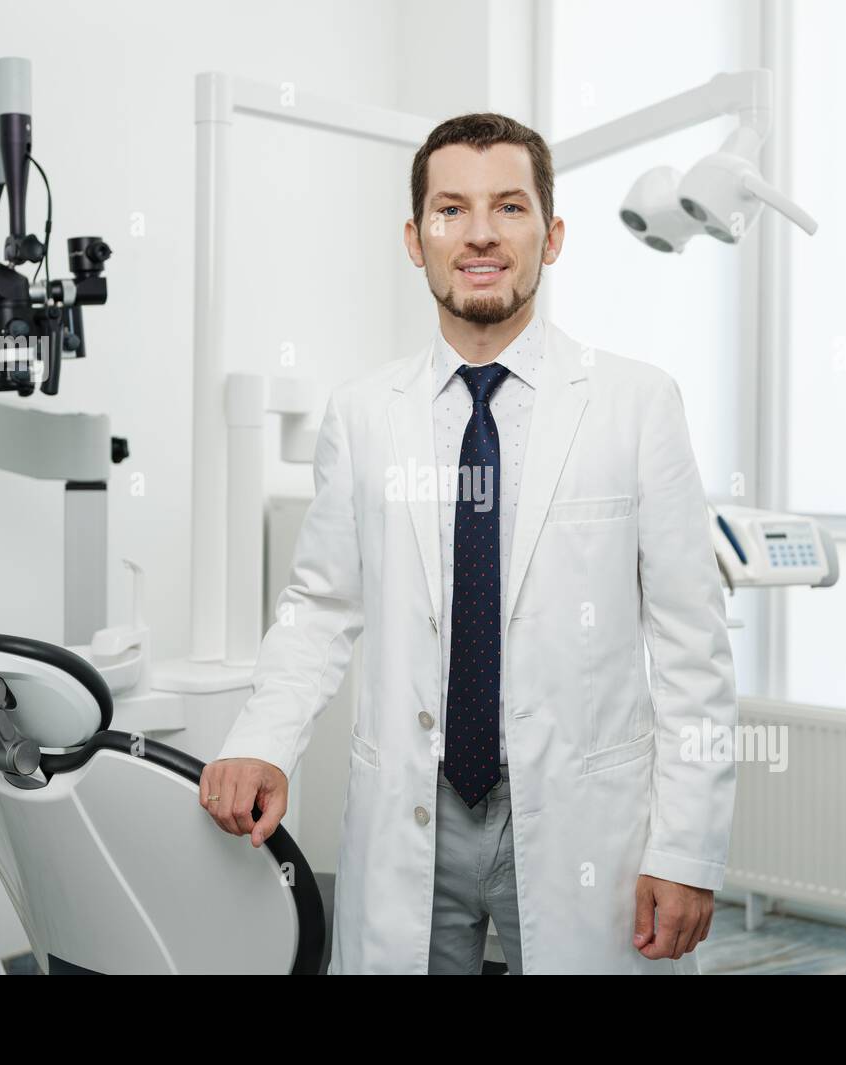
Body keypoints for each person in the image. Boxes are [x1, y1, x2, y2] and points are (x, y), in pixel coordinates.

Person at [198, 112, 738, 975]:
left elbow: (692, 645)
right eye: (451, 210)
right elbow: (320, 606)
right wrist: (262, 738)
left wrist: (687, 848)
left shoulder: (638, 405)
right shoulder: (364, 414)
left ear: (551, 235)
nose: (479, 233)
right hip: (415, 808)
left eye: (509, 208)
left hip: (579, 817)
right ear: (416, 239)